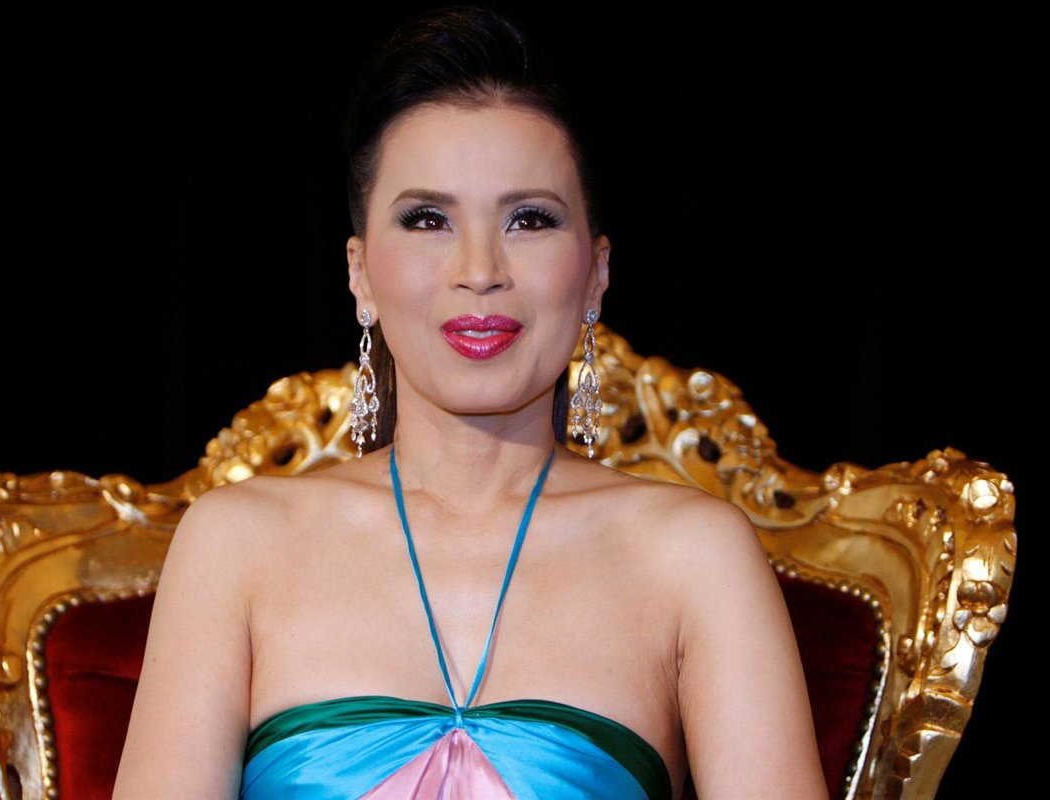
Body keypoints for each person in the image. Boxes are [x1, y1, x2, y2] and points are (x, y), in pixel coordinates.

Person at [114, 5, 828, 799]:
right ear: (360, 273)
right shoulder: (236, 545)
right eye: (428, 219)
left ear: (596, 273)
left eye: (529, 219)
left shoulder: (694, 557)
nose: (480, 270)